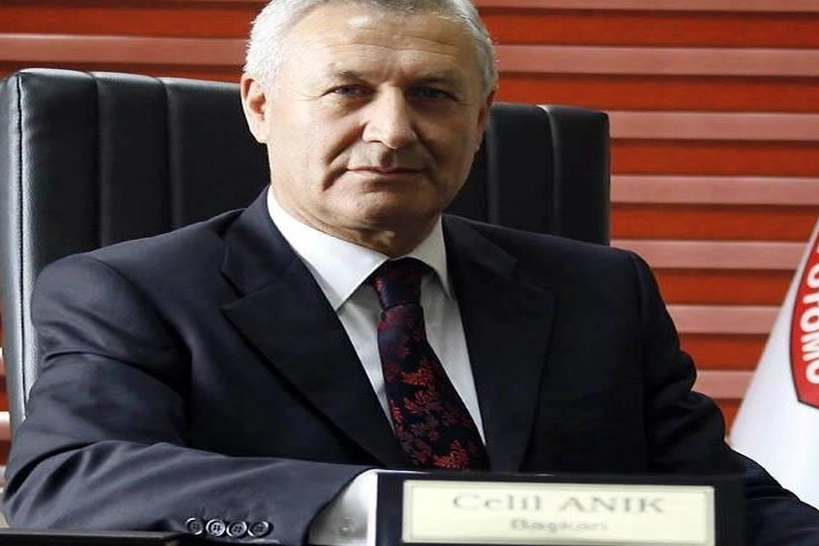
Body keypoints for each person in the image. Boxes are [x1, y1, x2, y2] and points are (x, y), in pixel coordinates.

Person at [3, 0, 819, 543]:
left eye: (431, 94)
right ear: (258, 106)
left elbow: (722, 503)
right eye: (347, 91)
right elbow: (69, 483)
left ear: (479, 120)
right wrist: (383, 508)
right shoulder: (132, 293)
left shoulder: (598, 292)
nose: (392, 131)